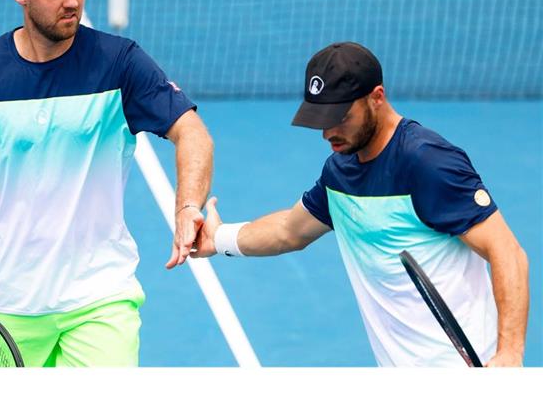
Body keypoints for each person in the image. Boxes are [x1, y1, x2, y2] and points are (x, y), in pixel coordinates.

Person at [0, 0, 213, 367]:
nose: (71, 2)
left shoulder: (120, 63)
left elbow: (193, 133)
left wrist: (187, 206)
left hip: (100, 295)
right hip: (9, 297)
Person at [192, 42, 529, 367]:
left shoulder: (427, 162)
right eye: (321, 119)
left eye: (340, 116)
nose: (328, 133)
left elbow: (507, 252)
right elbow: (288, 231)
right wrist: (219, 238)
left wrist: (510, 354)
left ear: (376, 98)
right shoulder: (340, 171)